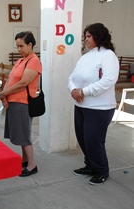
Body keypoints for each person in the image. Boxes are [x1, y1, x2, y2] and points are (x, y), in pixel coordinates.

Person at [68, 23, 119, 185]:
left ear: (99, 36)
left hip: (99, 107)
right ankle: (90, 165)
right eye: (85, 37)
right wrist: (74, 90)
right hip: (81, 105)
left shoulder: (108, 55)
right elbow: (72, 77)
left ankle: (102, 170)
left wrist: (84, 92)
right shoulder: (85, 56)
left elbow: (108, 80)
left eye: (89, 37)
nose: (86, 40)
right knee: (82, 139)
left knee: (93, 139)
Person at [0, 31, 42, 177]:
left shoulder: (33, 60)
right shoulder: (21, 60)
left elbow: (23, 82)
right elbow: (10, 79)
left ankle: (32, 165)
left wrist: (5, 93)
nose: (19, 50)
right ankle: (24, 160)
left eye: (21, 46)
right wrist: (4, 94)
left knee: (24, 134)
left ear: (30, 44)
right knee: (19, 134)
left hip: (23, 102)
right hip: (13, 101)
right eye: (17, 46)